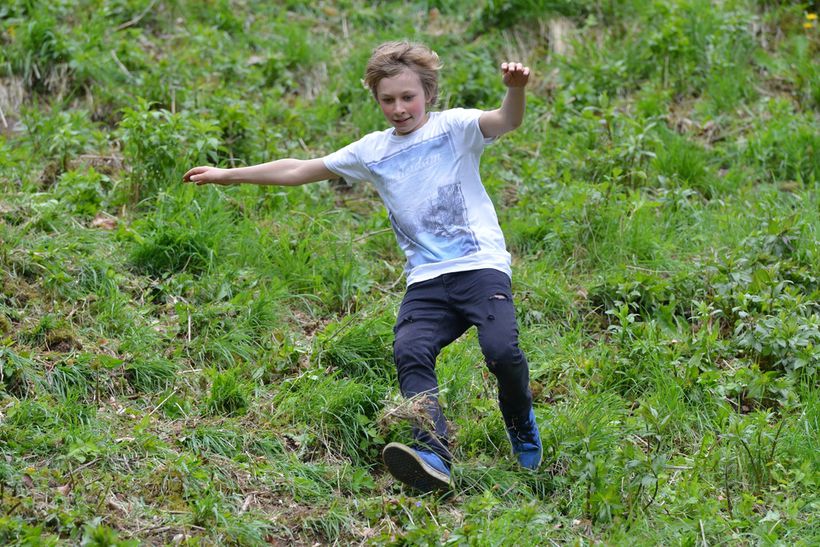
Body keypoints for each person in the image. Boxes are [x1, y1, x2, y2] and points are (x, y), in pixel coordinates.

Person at [183, 41, 541, 493]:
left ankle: (521, 422)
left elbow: (507, 120)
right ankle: (433, 453)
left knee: (502, 353)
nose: (398, 108)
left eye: (407, 97)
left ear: (428, 93)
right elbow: (298, 169)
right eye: (387, 100)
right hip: (426, 280)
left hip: (479, 267)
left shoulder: (456, 128)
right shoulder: (373, 150)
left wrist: (516, 89)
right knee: (410, 350)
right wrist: (226, 174)